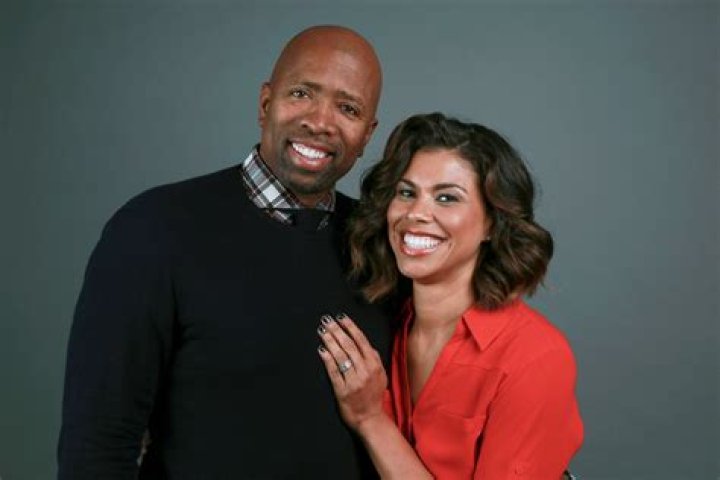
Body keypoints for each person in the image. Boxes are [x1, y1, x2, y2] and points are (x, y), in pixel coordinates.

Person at [58, 25, 394, 479]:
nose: (320, 122)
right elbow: (96, 448)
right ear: (265, 104)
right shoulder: (154, 229)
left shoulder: (380, 245)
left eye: (348, 108)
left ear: (367, 134)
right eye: (301, 94)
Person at [317, 113, 584, 479]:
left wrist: (371, 419)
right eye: (406, 193)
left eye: (446, 198)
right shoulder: (388, 323)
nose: (416, 213)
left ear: (492, 223)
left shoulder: (535, 356)